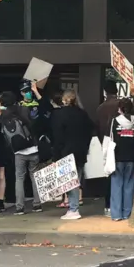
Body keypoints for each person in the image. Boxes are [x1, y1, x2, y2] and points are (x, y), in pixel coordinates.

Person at [51, 90, 94, 220]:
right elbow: (90, 130)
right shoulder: (83, 114)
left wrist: (55, 156)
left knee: (69, 182)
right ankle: (73, 207)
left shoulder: (59, 115)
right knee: (77, 179)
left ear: (63, 100)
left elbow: (57, 137)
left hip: (65, 152)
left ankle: (73, 208)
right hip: (80, 151)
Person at [0, 91, 42, 215]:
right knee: (34, 175)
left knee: (19, 178)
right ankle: (37, 204)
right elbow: (33, 125)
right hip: (32, 147)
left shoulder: (4, 115)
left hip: (18, 151)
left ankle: (20, 207)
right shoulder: (24, 109)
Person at [108, 98, 134, 221]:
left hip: (117, 156)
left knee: (116, 184)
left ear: (120, 108)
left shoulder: (115, 121)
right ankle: (127, 213)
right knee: (129, 185)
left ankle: (116, 214)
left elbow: (110, 138)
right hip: (132, 156)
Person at [96, 80, 120, 217]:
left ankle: (108, 206)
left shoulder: (100, 108)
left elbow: (98, 127)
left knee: (108, 175)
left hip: (105, 143)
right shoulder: (120, 105)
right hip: (122, 142)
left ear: (105, 91)